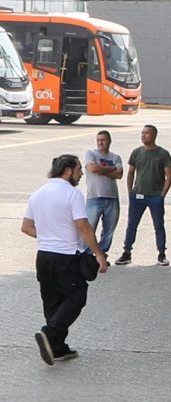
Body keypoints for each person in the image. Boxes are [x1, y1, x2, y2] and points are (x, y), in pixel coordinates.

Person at [24, 153, 109, 364]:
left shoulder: (37, 194)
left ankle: (58, 347)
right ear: (68, 170)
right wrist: (99, 254)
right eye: (79, 169)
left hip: (43, 256)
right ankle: (49, 332)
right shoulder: (72, 194)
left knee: (53, 302)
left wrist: (47, 236)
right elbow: (83, 226)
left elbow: (26, 227)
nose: (81, 173)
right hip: (66, 256)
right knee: (76, 297)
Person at [118, 123, 171, 266]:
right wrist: (130, 191)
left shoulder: (163, 153)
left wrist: (162, 195)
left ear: (154, 135)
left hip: (155, 196)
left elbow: (169, 176)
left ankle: (161, 253)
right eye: (142, 133)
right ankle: (127, 252)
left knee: (159, 225)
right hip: (137, 196)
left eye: (146, 133)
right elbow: (131, 172)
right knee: (132, 225)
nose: (143, 135)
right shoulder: (136, 152)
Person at [80, 130, 123, 261]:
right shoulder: (91, 153)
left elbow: (119, 174)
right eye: (98, 140)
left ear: (109, 141)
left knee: (109, 229)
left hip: (112, 198)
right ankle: (87, 254)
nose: (100, 143)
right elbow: (93, 169)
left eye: (103, 140)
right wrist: (111, 169)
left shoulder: (116, 157)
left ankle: (102, 253)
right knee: (90, 227)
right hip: (94, 197)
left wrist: (101, 170)